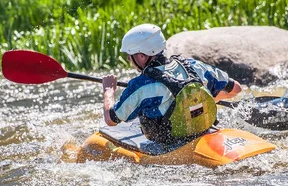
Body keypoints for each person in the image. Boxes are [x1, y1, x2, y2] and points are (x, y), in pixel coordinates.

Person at [102, 23, 242, 144]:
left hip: (171, 146)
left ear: (141, 56)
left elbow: (111, 119)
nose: (129, 59)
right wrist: (202, 100)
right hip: (204, 133)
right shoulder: (194, 65)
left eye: (129, 56)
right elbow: (235, 89)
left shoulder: (141, 85)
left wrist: (108, 90)